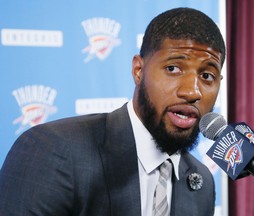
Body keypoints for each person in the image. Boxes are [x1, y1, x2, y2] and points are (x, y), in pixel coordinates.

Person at [0, 7, 225, 216]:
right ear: (138, 70)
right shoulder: (53, 150)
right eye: (173, 68)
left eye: (207, 76)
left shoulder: (200, 181)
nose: (192, 91)